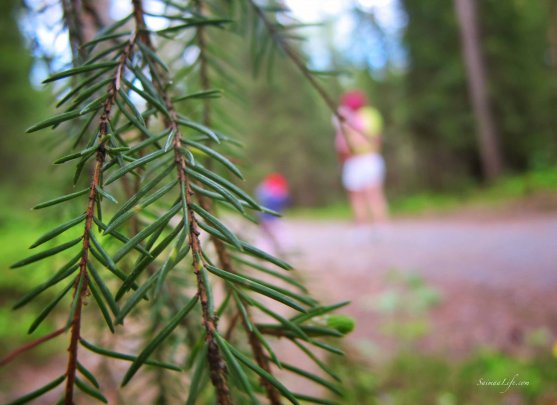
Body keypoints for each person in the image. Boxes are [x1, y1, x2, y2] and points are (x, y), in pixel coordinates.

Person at [333, 90, 389, 225]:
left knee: (371, 194)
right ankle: (364, 225)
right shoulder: (350, 116)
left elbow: (371, 138)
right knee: (360, 195)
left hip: (366, 158)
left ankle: (380, 224)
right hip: (356, 160)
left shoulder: (367, 115)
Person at [255, 173, 290, 254]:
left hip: (268, 218)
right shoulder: (272, 191)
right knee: (274, 236)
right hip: (269, 218)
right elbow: (282, 201)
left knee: (272, 236)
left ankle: (274, 252)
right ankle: (266, 253)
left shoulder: (262, 189)